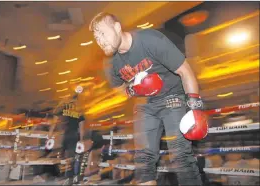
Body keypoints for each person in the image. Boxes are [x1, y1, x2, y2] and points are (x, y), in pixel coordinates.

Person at [89, 12, 208, 185]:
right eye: (96, 36)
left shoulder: (150, 40)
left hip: (172, 96)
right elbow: (119, 89)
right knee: (143, 160)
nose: (100, 40)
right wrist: (134, 89)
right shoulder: (110, 64)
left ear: (117, 27)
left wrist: (195, 107)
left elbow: (185, 70)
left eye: (102, 33)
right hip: (145, 104)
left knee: (180, 156)